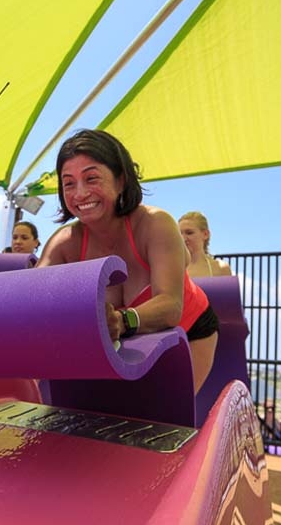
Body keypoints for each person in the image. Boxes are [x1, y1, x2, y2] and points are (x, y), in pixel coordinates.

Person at [37, 129, 219, 394]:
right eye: (68, 183)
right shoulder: (64, 243)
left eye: (91, 178)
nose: (80, 193)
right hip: (127, 339)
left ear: (121, 180)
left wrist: (120, 321)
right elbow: (31, 301)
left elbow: (170, 307)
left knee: (167, 421)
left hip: (191, 329)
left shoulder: (156, 224)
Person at [178, 211, 232, 278]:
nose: (183, 239)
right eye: (180, 234)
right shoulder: (173, 269)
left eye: (189, 233)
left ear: (205, 234)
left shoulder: (221, 268)